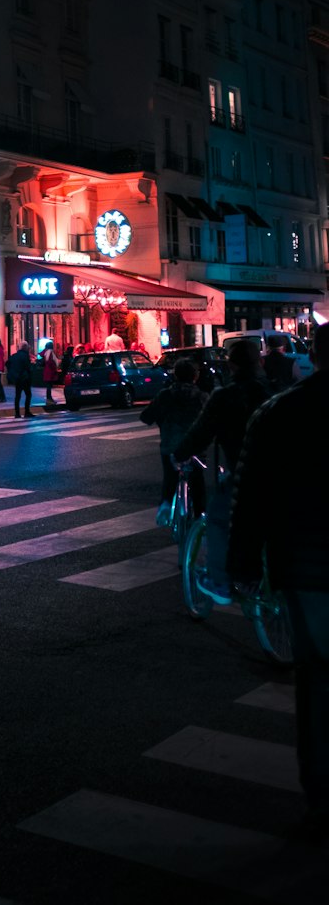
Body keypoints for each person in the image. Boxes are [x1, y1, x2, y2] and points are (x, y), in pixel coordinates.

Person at [228, 323, 329, 846]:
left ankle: (322, 800)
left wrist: (242, 562)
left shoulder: (281, 413)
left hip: (308, 567)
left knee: (317, 685)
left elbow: (253, 491)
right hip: (306, 564)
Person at [172, 340, 272, 603]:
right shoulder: (274, 391)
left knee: (217, 518)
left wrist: (179, 454)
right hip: (283, 473)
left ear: (231, 365)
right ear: (259, 363)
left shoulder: (225, 397)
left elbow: (199, 434)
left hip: (245, 474)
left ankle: (220, 582)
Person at [139, 358, 206, 525]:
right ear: (195, 376)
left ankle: (166, 504)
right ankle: (200, 518)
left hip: (171, 444)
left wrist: (161, 419)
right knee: (198, 482)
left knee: (170, 477)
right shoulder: (201, 396)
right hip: (194, 447)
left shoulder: (165, 395)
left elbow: (146, 416)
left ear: (175, 375)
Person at [6, 342, 34, 418]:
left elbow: (7, 363)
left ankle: (17, 413)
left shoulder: (14, 356)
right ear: (25, 347)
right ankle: (26, 412)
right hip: (24, 378)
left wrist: (12, 371)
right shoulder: (25, 356)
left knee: (17, 396)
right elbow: (28, 367)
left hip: (17, 378)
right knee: (28, 394)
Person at [41, 342, 60, 408]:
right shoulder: (50, 353)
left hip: (46, 371)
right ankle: (49, 399)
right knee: (49, 386)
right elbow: (54, 362)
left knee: (48, 386)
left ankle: (49, 399)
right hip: (50, 372)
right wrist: (56, 368)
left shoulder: (45, 353)